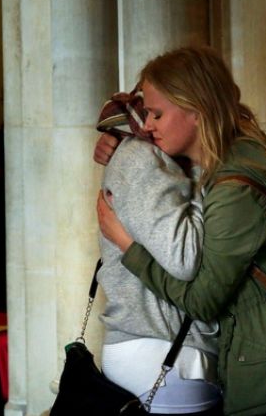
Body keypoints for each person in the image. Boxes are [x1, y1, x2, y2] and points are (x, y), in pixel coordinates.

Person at [96, 46, 266, 416]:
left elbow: (202, 299)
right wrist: (123, 137)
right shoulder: (244, 160)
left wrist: (129, 248)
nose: (148, 125)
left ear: (197, 109)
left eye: (156, 113)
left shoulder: (236, 187)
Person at [94, 89, 221, 414]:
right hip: (163, 349)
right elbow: (184, 258)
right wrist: (202, 171)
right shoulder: (143, 158)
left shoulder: (149, 156)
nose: (149, 124)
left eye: (157, 115)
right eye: (148, 113)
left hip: (158, 346)